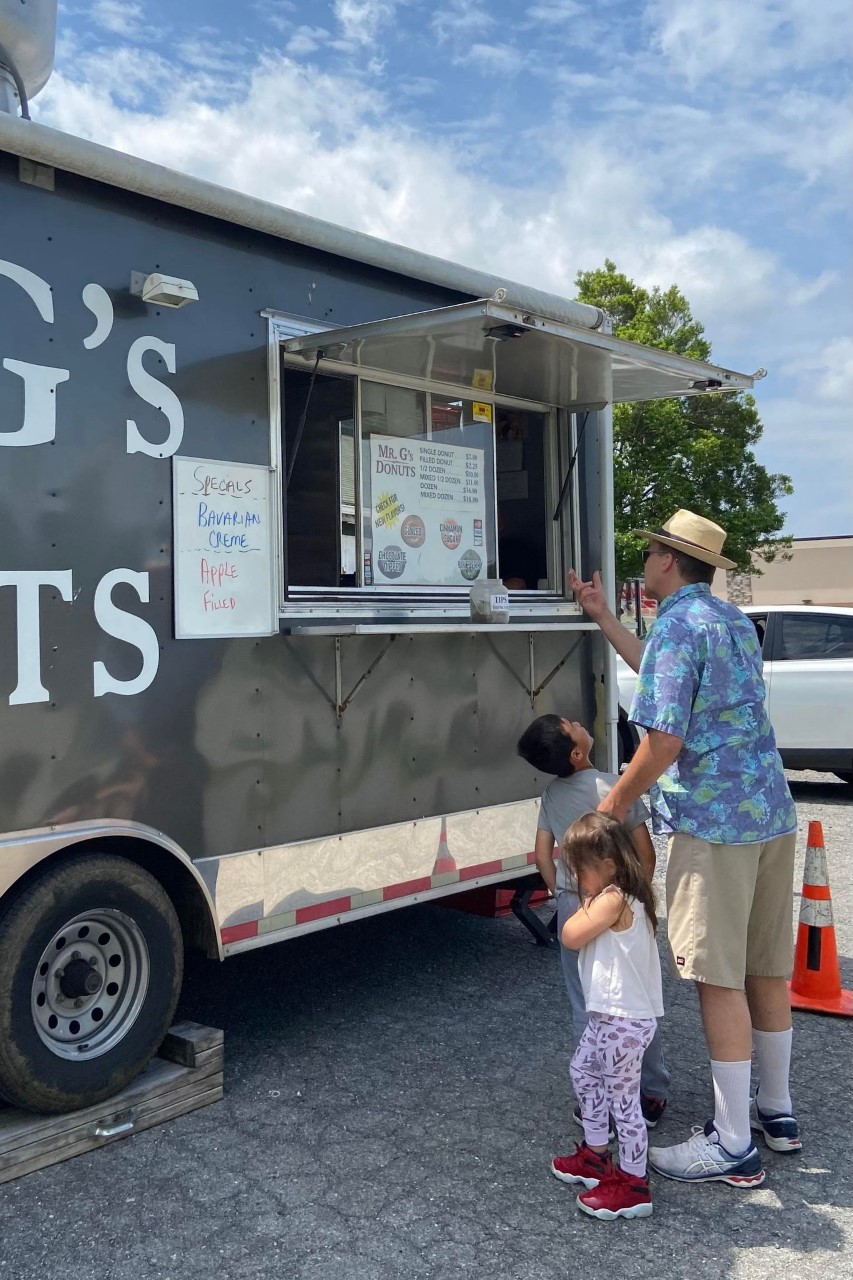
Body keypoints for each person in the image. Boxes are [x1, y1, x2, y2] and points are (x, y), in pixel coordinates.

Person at [568, 509, 800, 1188]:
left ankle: (730, 1143)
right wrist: (606, 619)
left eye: (650, 552)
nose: (646, 560)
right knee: (763, 965)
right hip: (769, 810)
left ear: (669, 560)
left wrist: (610, 805)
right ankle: (774, 1114)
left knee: (715, 974)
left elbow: (663, 740)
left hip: (714, 823)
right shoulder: (726, 620)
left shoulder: (675, 622)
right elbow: (674, 688)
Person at [516, 715, 670, 1127]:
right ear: (578, 751)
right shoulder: (613, 786)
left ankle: (596, 1095)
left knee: (587, 999)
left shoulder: (552, 793)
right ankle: (650, 1092)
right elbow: (644, 851)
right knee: (635, 999)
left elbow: (541, 853)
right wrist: (638, 894)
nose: (580, 722)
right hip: (623, 903)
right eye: (573, 724)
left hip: (575, 904)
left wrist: (560, 892)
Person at [552, 812, 663, 1220]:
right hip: (609, 1015)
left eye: (582, 869)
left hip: (623, 1019)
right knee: (583, 1071)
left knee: (624, 1102)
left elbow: (570, 935)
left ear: (610, 866)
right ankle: (597, 1155)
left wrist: (584, 902)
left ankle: (633, 1183)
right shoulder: (616, 894)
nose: (578, 877)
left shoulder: (613, 898)